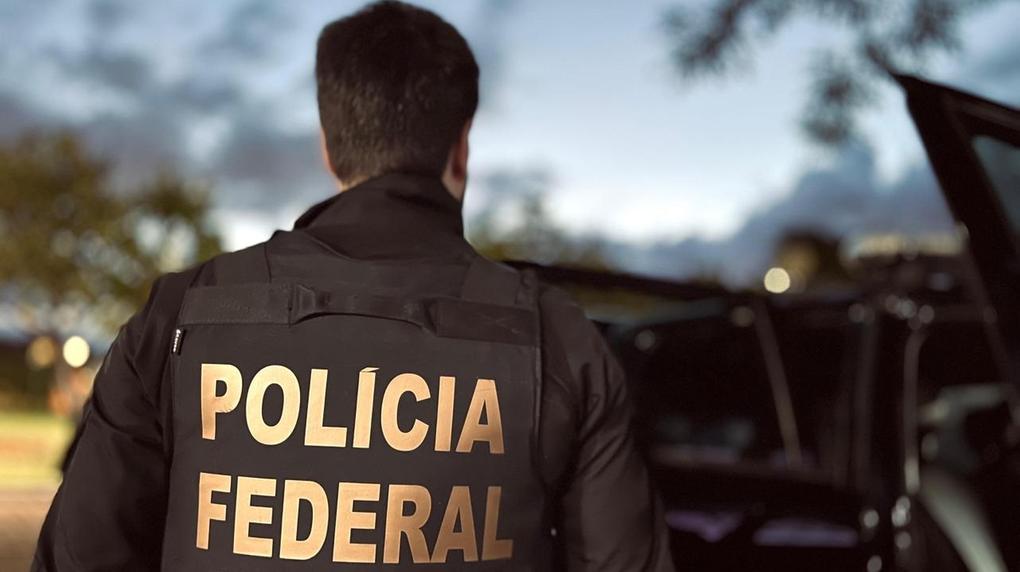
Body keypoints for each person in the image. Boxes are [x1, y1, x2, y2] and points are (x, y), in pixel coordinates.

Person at [33, 2, 675, 570]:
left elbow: (82, 555)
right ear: (461, 149)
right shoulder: (559, 340)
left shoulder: (179, 315)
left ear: (329, 147)